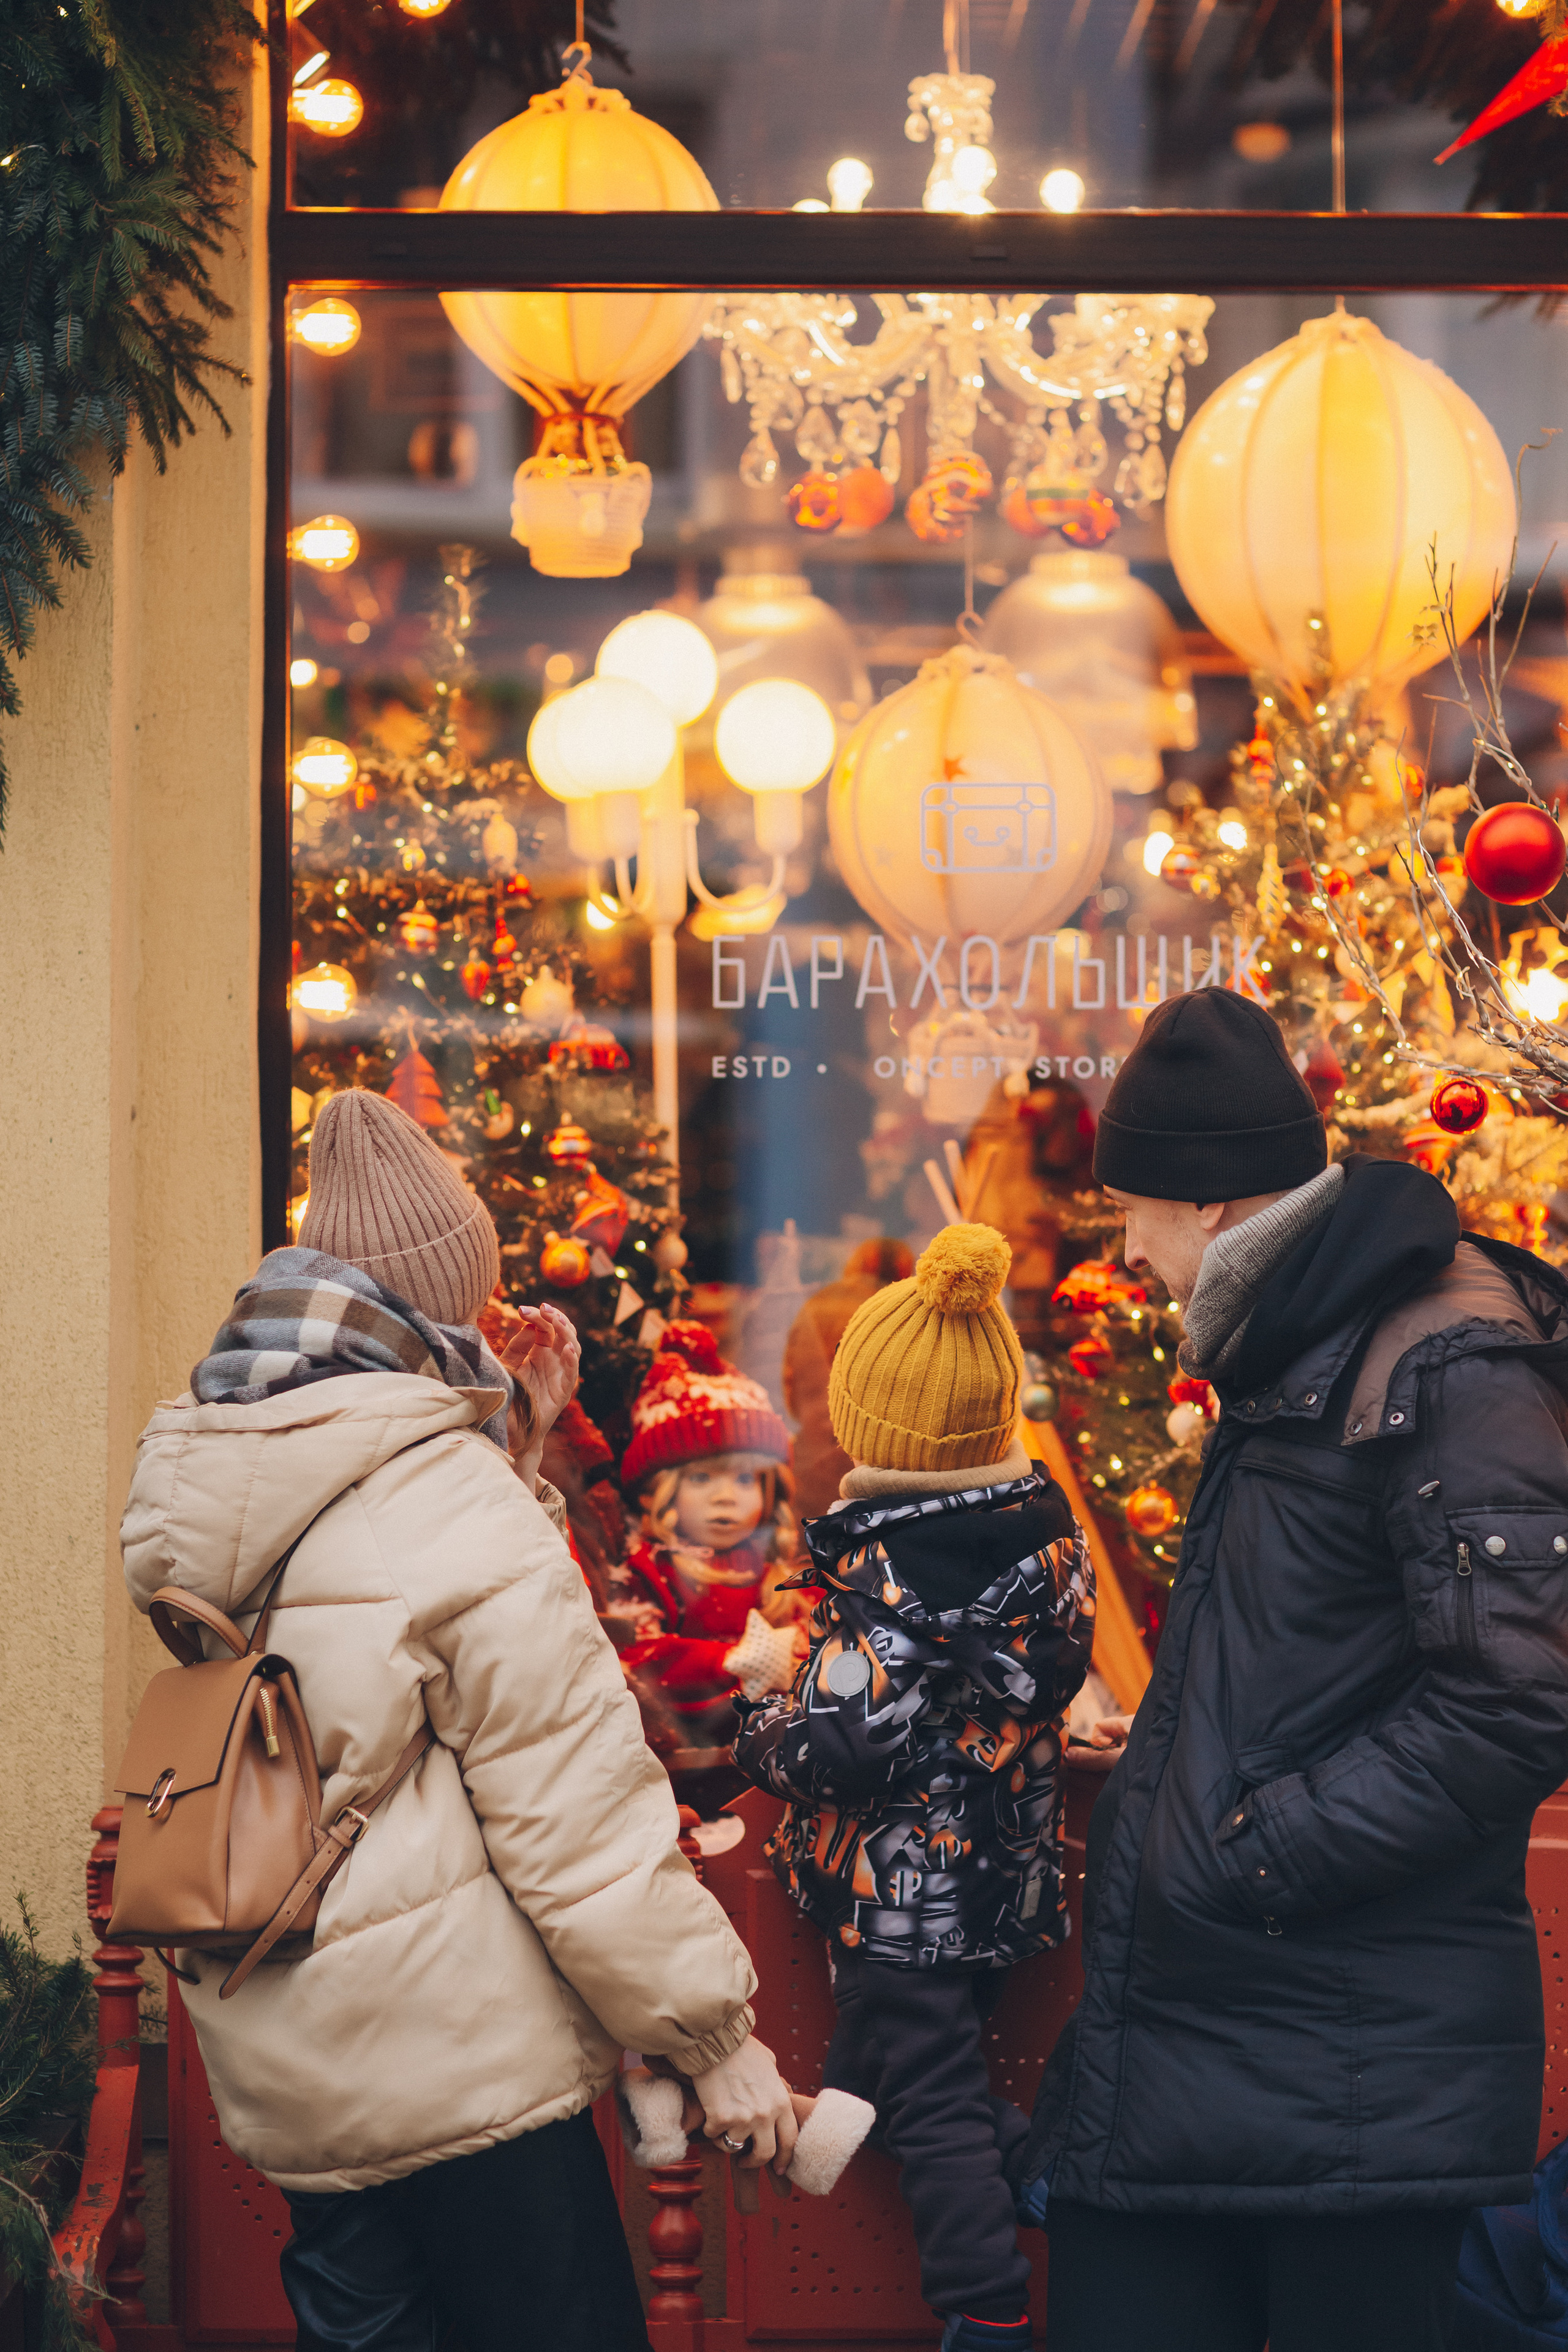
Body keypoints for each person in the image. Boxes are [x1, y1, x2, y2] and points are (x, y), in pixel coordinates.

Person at [121, 1089, 797, 2352]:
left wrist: (514, 1446)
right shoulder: (448, 1497)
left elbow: (360, 1658)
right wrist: (711, 2040)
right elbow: (574, 1818)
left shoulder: (224, 1461)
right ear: (435, 1303)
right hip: (462, 2068)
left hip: (291, 2054)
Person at [1022, 989, 1568, 2352]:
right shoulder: (1303, 1343)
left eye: (1130, 1211)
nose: (1124, 1247)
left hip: (1343, 2066)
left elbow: (1518, 1697)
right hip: (1227, 2047)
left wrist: (1251, 1856)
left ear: (1206, 1209)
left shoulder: (1434, 1356)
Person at [734, 1223, 1096, 2352]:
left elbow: (847, 1748)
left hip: (899, 1902)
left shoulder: (887, 1578)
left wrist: (760, 1709)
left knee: (928, 2104)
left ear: (867, 1422)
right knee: (866, 2083)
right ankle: (1037, 2176)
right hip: (992, 1886)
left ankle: (987, 2302)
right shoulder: (1044, 1544)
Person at [611, 1320, 809, 1754]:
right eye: (702, 1478)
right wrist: (731, 1661)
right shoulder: (650, 1570)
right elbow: (638, 1652)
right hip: (683, 1755)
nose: (726, 1498)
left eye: (743, 1479)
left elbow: (809, 1631)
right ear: (660, 1490)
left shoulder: (772, 1570)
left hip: (774, 1753)